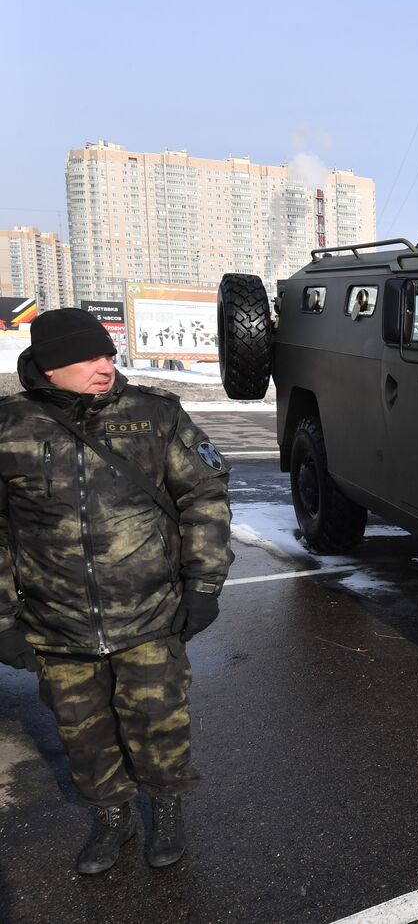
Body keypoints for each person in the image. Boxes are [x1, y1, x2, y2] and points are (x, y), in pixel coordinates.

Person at [0, 308, 232, 875]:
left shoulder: (154, 415)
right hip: (56, 622)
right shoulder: (10, 427)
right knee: (84, 733)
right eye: (88, 357)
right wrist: (3, 619)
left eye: (107, 353)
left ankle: (167, 806)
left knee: (159, 721)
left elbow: (204, 497)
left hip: (149, 612)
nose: (105, 366)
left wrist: (203, 583)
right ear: (50, 367)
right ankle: (112, 815)